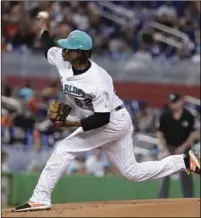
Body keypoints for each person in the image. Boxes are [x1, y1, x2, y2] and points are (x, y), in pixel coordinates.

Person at [14, 12, 200, 212]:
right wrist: (44, 26)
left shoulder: (98, 80)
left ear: (80, 53)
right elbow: (47, 47)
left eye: (68, 48)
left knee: (65, 148)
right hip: (112, 119)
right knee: (132, 172)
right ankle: (184, 161)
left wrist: (70, 123)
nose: (63, 50)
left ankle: (40, 197)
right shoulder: (63, 58)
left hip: (112, 121)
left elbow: (103, 118)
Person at [157, 92, 198, 198]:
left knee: (188, 174)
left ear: (181, 102)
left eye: (175, 102)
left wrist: (183, 147)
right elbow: (160, 133)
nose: (173, 105)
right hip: (169, 148)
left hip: (185, 148)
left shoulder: (188, 116)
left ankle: (189, 198)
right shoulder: (165, 115)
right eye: (171, 102)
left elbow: (193, 135)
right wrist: (165, 149)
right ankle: (162, 198)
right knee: (164, 173)